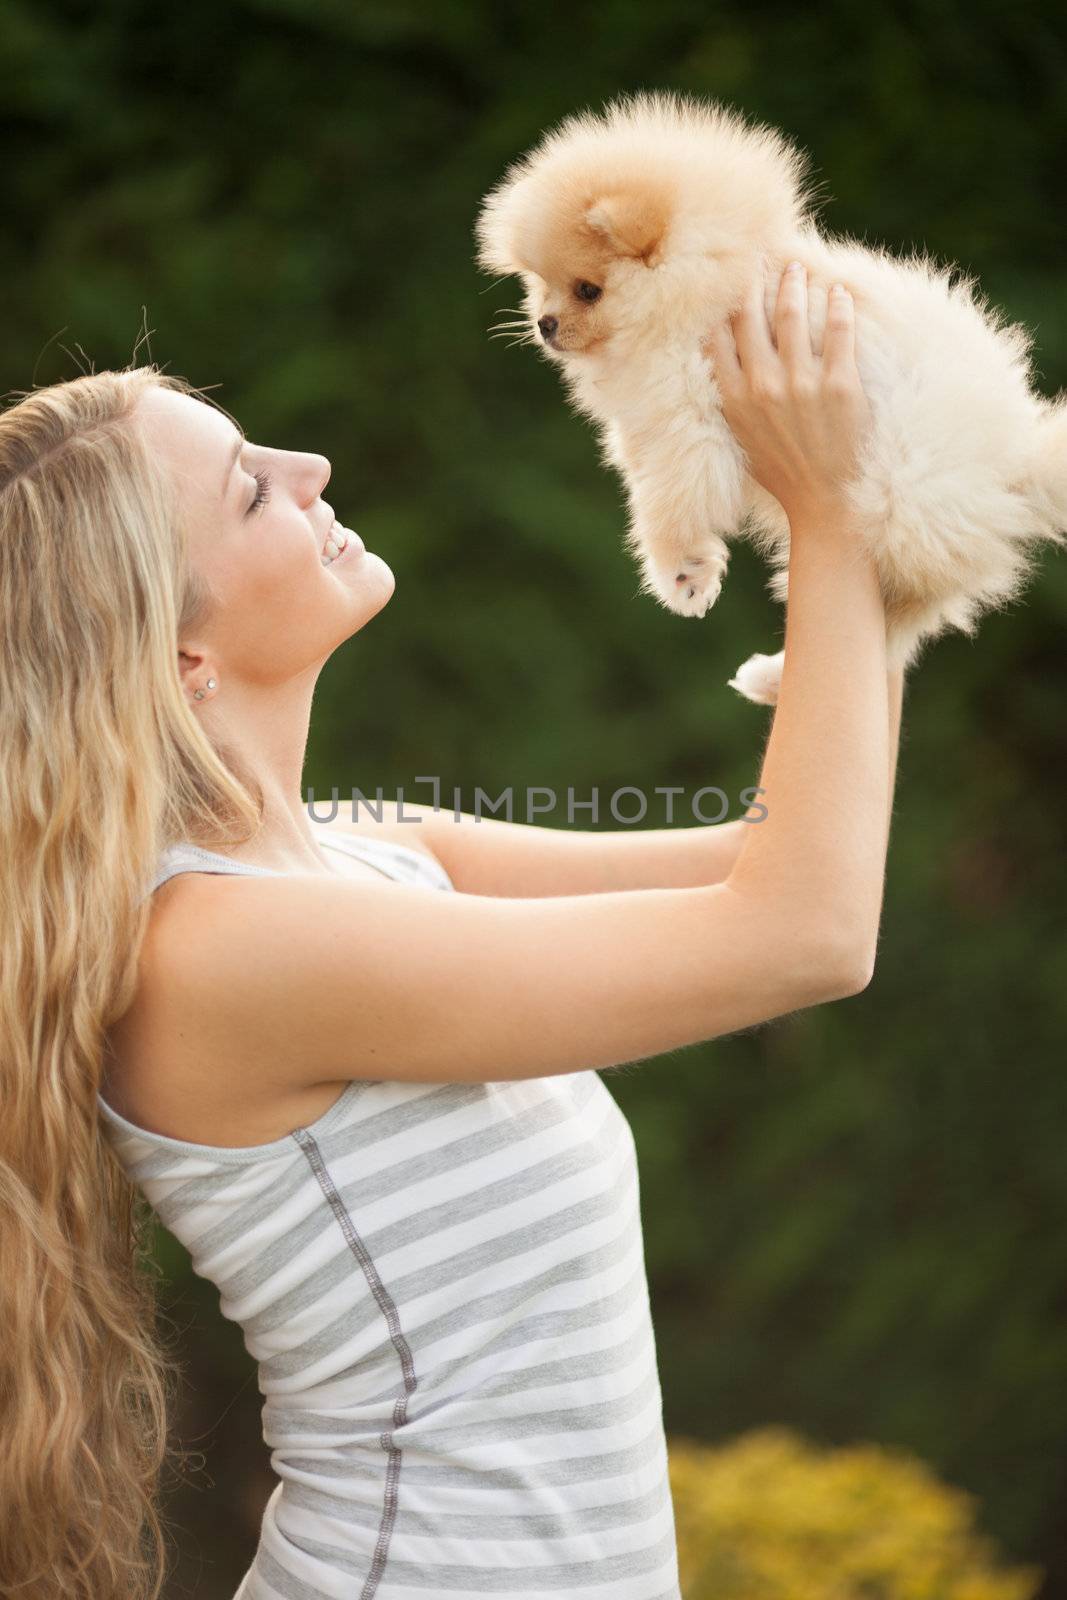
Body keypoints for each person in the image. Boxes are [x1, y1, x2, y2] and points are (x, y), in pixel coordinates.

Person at [0, 263, 904, 1599]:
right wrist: (828, 510)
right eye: (252, 486)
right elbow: (809, 929)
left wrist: (868, 491)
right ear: (181, 656)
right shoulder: (216, 951)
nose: (310, 466)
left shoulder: (371, 852)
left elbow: (787, 848)